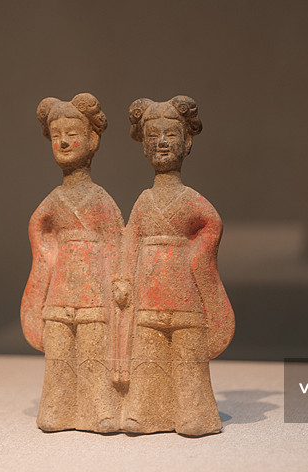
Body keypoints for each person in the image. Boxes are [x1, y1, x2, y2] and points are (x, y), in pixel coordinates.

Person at [114, 96, 234, 436]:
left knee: (188, 357)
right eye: (153, 136)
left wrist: (198, 256)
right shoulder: (144, 200)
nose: (162, 143)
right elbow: (130, 240)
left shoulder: (191, 199)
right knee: (148, 356)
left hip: (184, 291)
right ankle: (145, 413)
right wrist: (124, 278)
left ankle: (195, 415)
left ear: (187, 142)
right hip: (148, 295)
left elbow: (212, 224)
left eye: (170, 135)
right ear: (144, 146)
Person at [21, 93, 124, 433]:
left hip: (94, 295)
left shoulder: (101, 199)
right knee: (59, 357)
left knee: (94, 356)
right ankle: (55, 409)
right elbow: (39, 232)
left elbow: (116, 244)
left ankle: (101, 410)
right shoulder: (53, 200)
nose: (63, 141)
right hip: (60, 292)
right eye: (56, 136)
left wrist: (117, 285)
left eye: (71, 134)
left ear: (93, 140)